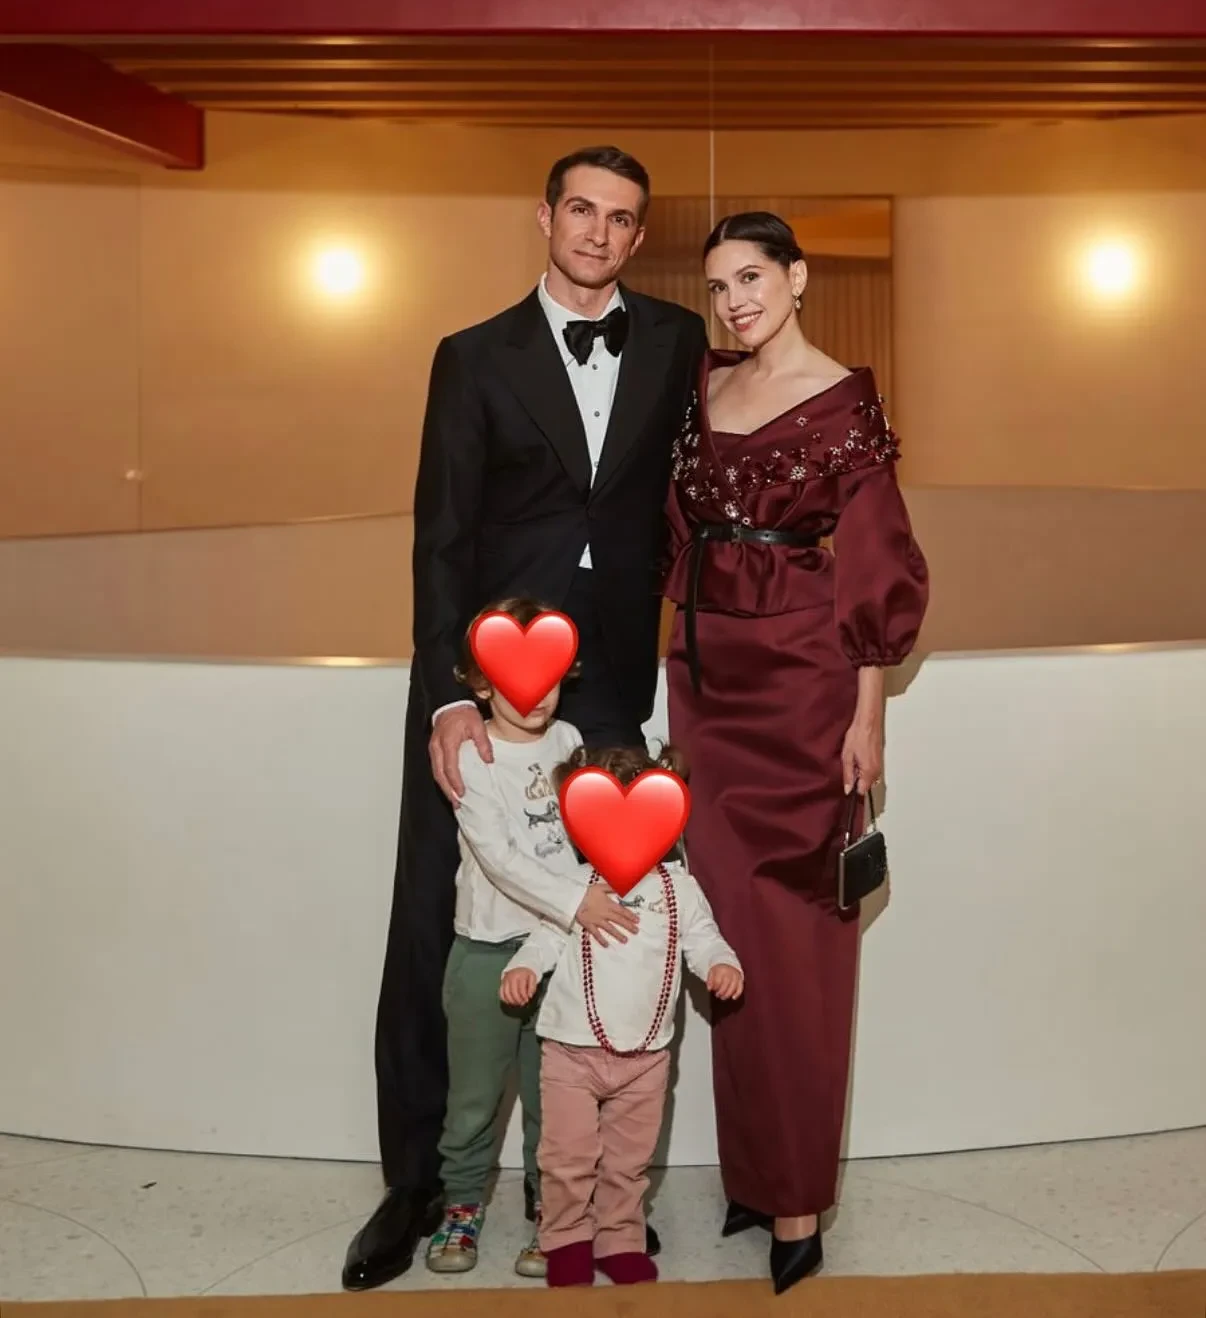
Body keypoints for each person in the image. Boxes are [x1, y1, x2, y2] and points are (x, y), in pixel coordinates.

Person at [342, 146, 709, 1292]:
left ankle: (591, 1194)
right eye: (582, 210)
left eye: (623, 218)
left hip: (612, 682)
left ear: (640, 236)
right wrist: (449, 693)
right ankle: (416, 1183)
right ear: (544, 216)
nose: (600, 232)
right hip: (491, 674)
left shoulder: (677, 342)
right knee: (440, 922)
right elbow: (441, 536)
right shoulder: (473, 356)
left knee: (614, 918)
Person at [662, 212, 930, 1295]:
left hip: (805, 687)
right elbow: (671, 531)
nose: (735, 301)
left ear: (798, 276)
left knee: (805, 941)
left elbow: (875, 563)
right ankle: (752, 1175)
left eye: (753, 277)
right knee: (729, 933)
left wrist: (868, 716)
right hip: (706, 685)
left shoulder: (845, 401)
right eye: (719, 285)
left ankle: (800, 1197)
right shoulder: (705, 389)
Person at [424, 596, 637, 1280]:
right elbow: (499, 858)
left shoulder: (570, 741)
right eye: (517, 679)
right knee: (473, 1101)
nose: (536, 694)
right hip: (487, 951)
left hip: (558, 953)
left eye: (548, 677)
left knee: (556, 1104)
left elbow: (585, 838)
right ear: (480, 685)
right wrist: (578, 901)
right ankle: (462, 1205)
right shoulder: (472, 756)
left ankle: (556, 1213)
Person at [500, 742, 743, 1288]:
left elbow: (704, 938)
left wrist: (721, 964)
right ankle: (565, 1238)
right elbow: (545, 936)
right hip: (571, 1054)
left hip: (646, 1060)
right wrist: (524, 968)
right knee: (566, 1158)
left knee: (628, 1162)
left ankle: (619, 1238)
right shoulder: (576, 887)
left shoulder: (679, 888)